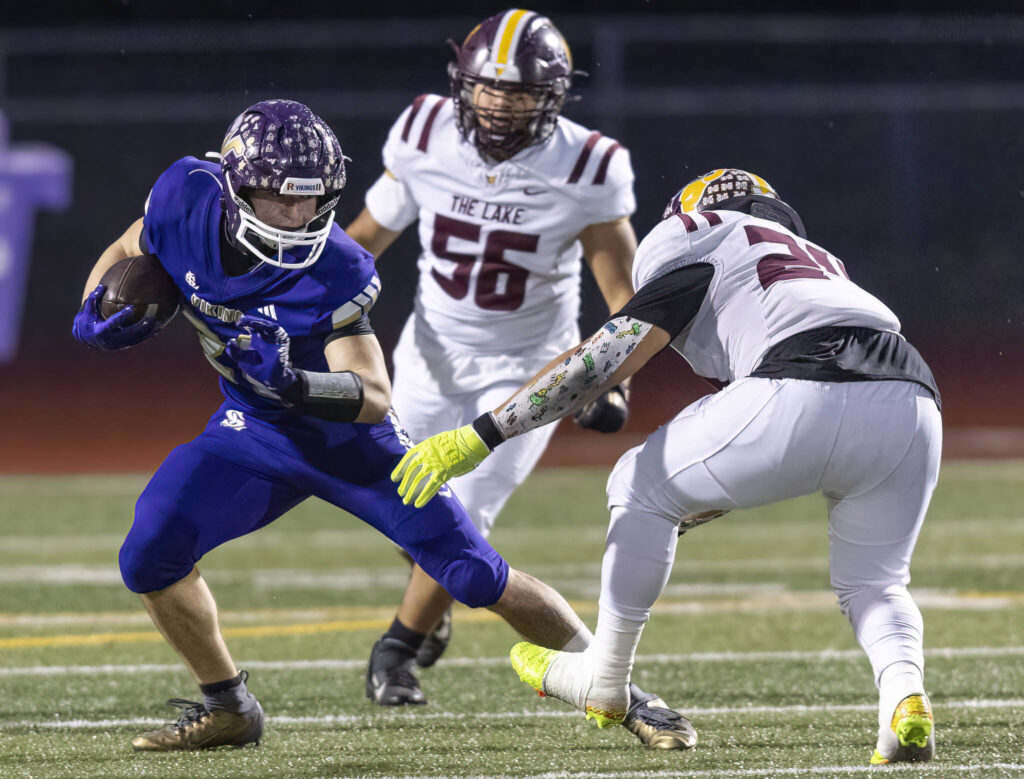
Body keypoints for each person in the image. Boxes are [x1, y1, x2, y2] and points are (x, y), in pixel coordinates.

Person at [71, 99, 676, 752]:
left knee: (474, 573)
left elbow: (373, 395)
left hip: (349, 442)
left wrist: (295, 383)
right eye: (281, 198)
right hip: (252, 428)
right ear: (237, 187)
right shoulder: (185, 196)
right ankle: (229, 707)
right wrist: (95, 304)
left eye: (311, 198)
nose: (298, 215)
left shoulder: (338, 265)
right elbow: (130, 246)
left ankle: (624, 690)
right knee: (149, 553)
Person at [392, 169, 942, 765]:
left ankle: (605, 678)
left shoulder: (696, 236)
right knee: (875, 583)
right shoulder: (820, 262)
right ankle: (903, 698)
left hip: (800, 380)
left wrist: (484, 434)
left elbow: (601, 360)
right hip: (913, 400)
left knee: (635, 483)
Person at [346, 8, 641, 713]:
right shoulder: (423, 131)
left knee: (465, 515)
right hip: (427, 354)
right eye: (487, 87)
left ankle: (397, 648)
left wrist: (613, 382)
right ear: (462, 82)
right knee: (407, 507)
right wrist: (296, 303)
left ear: (553, 96)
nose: (500, 104)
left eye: (519, 92)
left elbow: (626, 297)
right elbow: (364, 240)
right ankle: (433, 592)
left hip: (527, 370)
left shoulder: (590, 164)